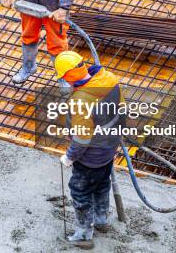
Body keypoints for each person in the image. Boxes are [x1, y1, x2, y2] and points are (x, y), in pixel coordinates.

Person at [55, 51, 124, 249]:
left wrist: (69, 157)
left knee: (80, 191)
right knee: (102, 183)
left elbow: (81, 140)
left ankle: (84, 235)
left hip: (91, 157)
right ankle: (101, 219)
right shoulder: (108, 78)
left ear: (68, 75)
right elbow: (122, 109)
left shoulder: (80, 101)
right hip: (109, 149)